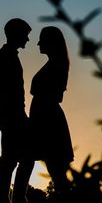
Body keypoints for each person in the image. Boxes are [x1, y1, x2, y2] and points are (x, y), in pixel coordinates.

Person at [0, 18, 34, 203]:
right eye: (25, 34)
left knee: (17, 159)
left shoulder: (8, 55)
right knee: (14, 160)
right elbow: (8, 91)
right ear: (15, 34)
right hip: (11, 114)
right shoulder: (7, 56)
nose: (27, 38)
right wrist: (19, 116)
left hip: (12, 113)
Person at [29, 26, 74, 193]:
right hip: (46, 118)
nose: (38, 43)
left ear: (50, 42)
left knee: (58, 173)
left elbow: (53, 96)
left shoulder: (56, 65)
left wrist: (37, 122)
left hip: (49, 121)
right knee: (57, 173)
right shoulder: (54, 64)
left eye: (42, 39)